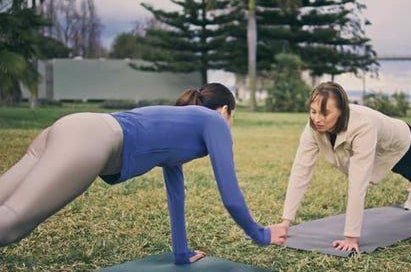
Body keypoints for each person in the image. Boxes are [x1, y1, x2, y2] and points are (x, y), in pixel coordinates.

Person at [0, 82, 287, 264]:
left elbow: (176, 194)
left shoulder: (181, 127)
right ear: (225, 110)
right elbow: (231, 195)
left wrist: (181, 253)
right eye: (232, 117)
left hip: (73, 127)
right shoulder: (214, 121)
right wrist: (261, 235)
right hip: (91, 140)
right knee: (11, 223)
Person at [280, 81, 411, 254]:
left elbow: (358, 183)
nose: (317, 119)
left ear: (342, 110)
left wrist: (351, 237)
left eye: (325, 113)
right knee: (398, 167)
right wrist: (286, 222)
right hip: (378, 146)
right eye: (313, 111)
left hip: (401, 139)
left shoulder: (362, 125)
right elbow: (301, 171)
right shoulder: (313, 128)